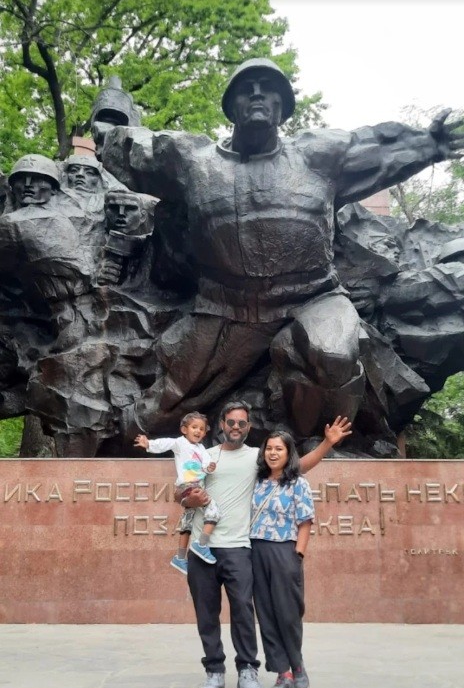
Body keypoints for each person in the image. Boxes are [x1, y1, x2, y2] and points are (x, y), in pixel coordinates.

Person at [102, 57, 464, 443]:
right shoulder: (194, 161)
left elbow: (376, 146)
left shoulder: (318, 155)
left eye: (269, 88)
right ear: (231, 106)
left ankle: (309, 444)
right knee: (153, 417)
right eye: (247, 88)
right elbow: (135, 150)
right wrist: (106, 132)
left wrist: (431, 144)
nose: (258, 94)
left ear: (283, 106)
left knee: (333, 353)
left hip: (314, 296)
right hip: (227, 307)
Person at [179, 400, 351, 688]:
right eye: (231, 422)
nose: (235, 427)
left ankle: (248, 671)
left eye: (241, 423)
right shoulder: (202, 456)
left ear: (248, 426)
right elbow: (180, 491)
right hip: (202, 548)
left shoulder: (256, 459)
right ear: (221, 425)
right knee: (206, 614)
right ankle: (214, 671)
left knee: (244, 613)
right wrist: (186, 499)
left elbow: (296, 467)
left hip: (239, 548)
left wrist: (327, 444)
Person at [251, 430, 315, 688]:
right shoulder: (256, 481)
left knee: (288, 614)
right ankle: (283, 673)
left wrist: (297, 555)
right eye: (269, 448)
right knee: (266, 615)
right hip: (255, 550)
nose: (273, 453)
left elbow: (305, 521)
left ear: (289, 453)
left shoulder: (298, 483)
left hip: (284, 551)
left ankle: (297, 665)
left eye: (279, 449)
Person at [134, 412, 220, 574]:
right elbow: (165, 443)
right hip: (189, 486)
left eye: (201, 429)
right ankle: (201, 544)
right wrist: (148, 444)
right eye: (194, 427)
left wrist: (210, 467)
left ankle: (180, 558)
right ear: (184, 429)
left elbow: (206, 464)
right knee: (214, 511)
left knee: (187, 523)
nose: (198, 431)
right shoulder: (180, 443)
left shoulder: (201, 448)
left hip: (196, 486)